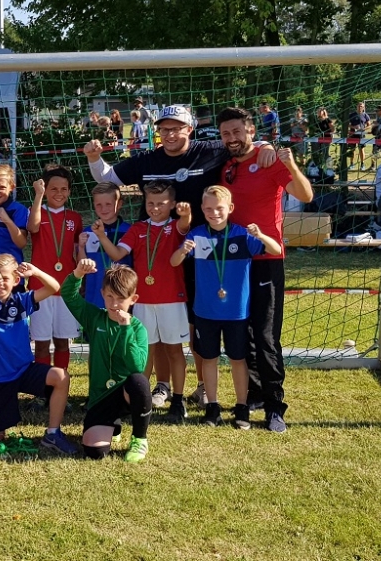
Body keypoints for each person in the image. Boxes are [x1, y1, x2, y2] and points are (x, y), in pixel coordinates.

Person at [85, 104, 277, 408]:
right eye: (164, 129)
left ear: (190, 129)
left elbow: (240, 144)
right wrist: (94, 158)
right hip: (160, 258)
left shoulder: (210, 150)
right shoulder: (147, 159)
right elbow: (107, 176)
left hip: (204, 256)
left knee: (197, 323)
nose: (170, 134)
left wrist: (266, 145)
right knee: (158, 330)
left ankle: (202, 386)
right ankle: (162, 385)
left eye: (176, 128)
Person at [218, 107, 313, 433]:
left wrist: (289, 162)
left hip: (267, 261)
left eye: (237, 131)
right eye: (226, 133)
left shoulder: (269, 160)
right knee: (241, 333)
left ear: (250, 130)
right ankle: (255, 394)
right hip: (233, 262)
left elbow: (305, 194)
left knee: (266, 335)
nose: (231, 138)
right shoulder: (226, 165)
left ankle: (275, 407)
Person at [170, 185, 282, 429]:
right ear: (202, 209)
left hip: (236, 313)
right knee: (208, 359)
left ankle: (241, 407)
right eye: (208, 209)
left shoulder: (242, 235)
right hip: (205, 311)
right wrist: (183, 250)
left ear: (230, 208)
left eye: (219, 208)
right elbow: (174, 261)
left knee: (238, 359)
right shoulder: (197, 235)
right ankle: (213, 406)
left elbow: (277, 249)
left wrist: (261, 235)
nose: (214, 213)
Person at [0, 256, 77, 455]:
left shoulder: (23, 301)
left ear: (17, 280)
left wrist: (35, 272)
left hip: (24, 370)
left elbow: (53, 287)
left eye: (5, 278)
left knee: (61, 377)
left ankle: (53, 433)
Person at [97, 182, 193, 423]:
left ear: (172, 204)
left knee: (174, 350)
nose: (155, 208)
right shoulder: (138, 228)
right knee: (144, 351)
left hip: (172, 299)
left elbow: (185, 224)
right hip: (143, 301)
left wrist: (186, 214)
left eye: (161, 203)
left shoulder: (175, 225)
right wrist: (101, 236)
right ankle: (139, 398)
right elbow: (117, 254)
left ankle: (178, 400)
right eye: (150, 203)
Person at [61, 262, 151, 463]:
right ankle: (113, 425)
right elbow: (69, 295)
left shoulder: (137, 329)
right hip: (101, 397)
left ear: (133, 299)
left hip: (125, 393)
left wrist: (125, 329)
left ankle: (139, 439)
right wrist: (78, 274)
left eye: (121, 298)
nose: (114, 304)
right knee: (95, 452)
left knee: (139, 381)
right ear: (102, 293)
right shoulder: (95, 318)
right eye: (110, 296)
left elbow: (137, 367)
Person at [27, 166, 82, 373]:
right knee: (41, 343)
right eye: (53, 189)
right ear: (45, 189)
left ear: (69, 191)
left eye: (64, 189)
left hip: (66, 287)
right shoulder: (36, 211)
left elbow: (77, 250)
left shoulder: (75, 217)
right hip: (40, 288)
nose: (59, 193)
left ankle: (61, 383)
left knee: (62, 341)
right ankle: (43, 385)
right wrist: (38, 196)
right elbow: (32, 227)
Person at [78, 182, 132, 309]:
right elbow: (82, 265)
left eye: (108, 204)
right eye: (99, 205)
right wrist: (81, 247)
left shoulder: (129, 231)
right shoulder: (88, 232)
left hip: (121, 296)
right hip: (94, 296)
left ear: (119, 204)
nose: (103, 209)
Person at [348, 102, 371, 171]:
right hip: (352, 134)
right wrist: (353, 127)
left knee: (361, 149)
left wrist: (363, 129)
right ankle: (351, 164)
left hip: (361, 135)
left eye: (361, 106)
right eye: (359, 106)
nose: (360, 107)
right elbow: (347, 124)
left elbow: (369, 125)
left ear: (363, 107)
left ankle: (362, 164)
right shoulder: (352, 115)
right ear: (356, 107)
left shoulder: (365, 115)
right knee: (352, 149)